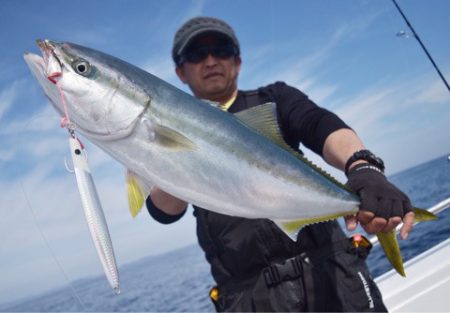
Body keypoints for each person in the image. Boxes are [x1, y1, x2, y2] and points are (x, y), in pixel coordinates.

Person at [146, 16, 414, 312]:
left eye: (221, 50)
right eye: (196, 54)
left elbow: (317, 124)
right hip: (249, 298)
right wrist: (167, 148)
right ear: (180, 72)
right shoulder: (169, 123)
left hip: (334, 277)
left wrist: (362, 165)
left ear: (237, 62)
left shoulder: (273, 100)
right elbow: (165, 211)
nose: (210, 61)